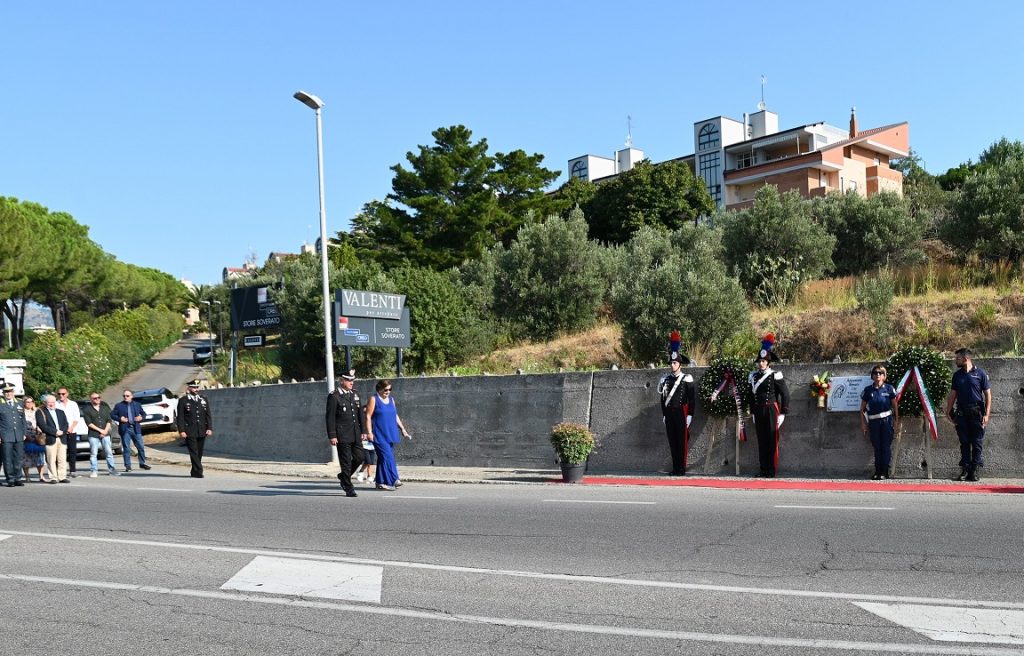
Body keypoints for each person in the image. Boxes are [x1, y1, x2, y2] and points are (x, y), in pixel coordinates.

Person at [945, 348, 991, 482]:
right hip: (962, 414)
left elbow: (988, 395)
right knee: (964, 442)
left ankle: (974, 470)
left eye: (958, 359)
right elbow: (953, 394)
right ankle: (965, 469)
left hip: (977, 413)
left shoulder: (980, 373)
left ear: (966, 359)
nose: (955, 361)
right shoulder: (957, 375)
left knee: (977, 442)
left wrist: (987, 414)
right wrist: (948, 410)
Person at [748, 334, 789, 478]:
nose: (761, 363)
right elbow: (750, 396)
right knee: (762, 440)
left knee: (771, 440)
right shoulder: (752, 376)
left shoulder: (775, 375)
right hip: (759, 410)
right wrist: (753, 412)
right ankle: (763, 469)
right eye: (760, 361)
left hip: (771, 409)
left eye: (764, 361)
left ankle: (771, 470)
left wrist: (783, 413)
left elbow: (785, 394)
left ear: (768, 362)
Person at [365, 379, 411, 491]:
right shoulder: (374, 399)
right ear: (379, 389)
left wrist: (403, 429)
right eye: (386, 389)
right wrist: (369, 432)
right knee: (387, 457)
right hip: (378, 433)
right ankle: (394, 479)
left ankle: (380, 483)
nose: (388, 391)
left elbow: (395, 415)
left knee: (383, 458)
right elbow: (368, 416)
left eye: (390, 389)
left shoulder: (391, 400)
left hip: (390, 433)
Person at [326, 370, 366, 497]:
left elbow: (360, 414)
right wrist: (332, 435)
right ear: (342, 381)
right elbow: (330, 417)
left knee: (360, 457)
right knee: (346, 462)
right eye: (349, 380)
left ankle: (343, 476)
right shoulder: (334, 396)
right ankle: (348, 487)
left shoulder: (355, 394)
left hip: (355, 432)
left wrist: (363, 430)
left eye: (352, 380)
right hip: (342, 434)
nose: (351, 383)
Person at [657, 351, 695, 476]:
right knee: (672, 441)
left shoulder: (686, 378)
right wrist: (664, 415)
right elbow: (662, 399)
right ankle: (675, 468)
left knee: (681, 441)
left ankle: (681, 468)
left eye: (675, 363)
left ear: (680, 364)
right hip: (669, 414)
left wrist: (690, 415)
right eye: (671, 363)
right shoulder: (665, 379)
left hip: (680, 412)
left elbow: (692, 399)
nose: (672, 365)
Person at [859, 365, 899, 480]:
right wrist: (863, 423)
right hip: (873, 421)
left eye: (880, 373)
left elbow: (895, 406)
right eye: (875, 373)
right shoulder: (868, 390)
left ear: (884, 376)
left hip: (886, 421)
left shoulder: (889, 388)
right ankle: (877, 470)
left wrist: (896, 421)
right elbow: (862, 409)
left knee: (885, 446)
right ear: (872, 376)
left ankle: (884, 471)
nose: (878, 375)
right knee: (877, 446)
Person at [176, 379, 213, 478]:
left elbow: (208, 415)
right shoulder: (183, 400)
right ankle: (199, 470)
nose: (196, 389)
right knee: (193, 451)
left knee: (199, 452)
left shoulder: (203, 399)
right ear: (189, 388)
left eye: (197, 387)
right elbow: (180, 417)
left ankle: (194, 471)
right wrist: (182, 430)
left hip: (201, 429)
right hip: (189, 431)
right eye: (194, 387)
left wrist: (209, 427)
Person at [82, 391, 120, 477]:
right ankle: (94, 470)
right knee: (93, 453)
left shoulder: (105, 408)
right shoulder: (87, 409)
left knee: (109, 452)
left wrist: (105, 431)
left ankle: (112, 469)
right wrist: (100, 431)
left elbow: (109, 420)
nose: (97, 399)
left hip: (105, 434)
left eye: (98, 397)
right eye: (95, 398)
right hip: (93, 434)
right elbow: (89, 423)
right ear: (91, 399)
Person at [110, 390, 150, 472]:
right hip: (125, 429)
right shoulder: (119, 406)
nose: (125, 397)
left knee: (140, 446)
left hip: (136, 428)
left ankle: (142, 463)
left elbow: (143, 414)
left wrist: (141, 418)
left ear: (132, 396)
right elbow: (112, 414)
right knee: (126, 448)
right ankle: (128, 465)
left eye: (127, 396)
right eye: (124, 396)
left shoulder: (137, 404)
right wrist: (120, 418)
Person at [36, 394, 71, 483]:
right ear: (45, 403)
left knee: (62, 459)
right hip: (50, 438)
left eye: (53, 402)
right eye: (49, 402)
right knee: (51, 459)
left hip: (62, 438)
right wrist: (55, 432)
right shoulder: (40, 412)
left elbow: (66, 424)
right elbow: (42, 425)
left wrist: (62, 431)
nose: (51, 404)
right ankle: (53, 477)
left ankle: (62, 476)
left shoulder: (60, 412)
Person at [0, 382, 28, 486]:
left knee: (18, 458)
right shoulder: (0, 404)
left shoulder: (19, 403)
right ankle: (10, 479)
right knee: (7, 458)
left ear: (13, 392)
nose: (8, 394)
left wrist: (24, 432)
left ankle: (18, 478)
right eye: (6, 392)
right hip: (6, 435)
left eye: (10, 391)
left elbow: (23, 419)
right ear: (3, 393)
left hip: (19, 435)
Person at [55, 387, 82, 478]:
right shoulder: (56, 404)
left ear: (67, 394)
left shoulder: (73, 404)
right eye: (59, 394)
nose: (61, 396)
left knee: (72, 451)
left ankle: (72, 470)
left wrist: (71, 428)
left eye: (63, 394)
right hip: (60, 432)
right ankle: (60, 471)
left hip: (72, 431)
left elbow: (76, 417)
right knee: (60, 452)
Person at [20, 396, 47, 482]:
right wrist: (25, 435)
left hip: (37, 436)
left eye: (31, 401)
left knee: (40, 456)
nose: (29, 403)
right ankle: (27, 476)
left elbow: (42, 422)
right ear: (24, 403)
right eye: (27, 402)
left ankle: (41, 475)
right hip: (26, 435)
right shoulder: (21, 412)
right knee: (26, 457)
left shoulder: (37, 411)